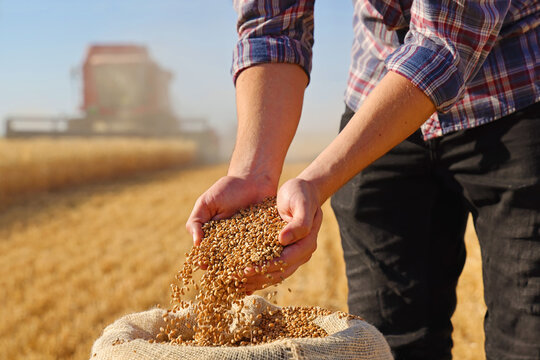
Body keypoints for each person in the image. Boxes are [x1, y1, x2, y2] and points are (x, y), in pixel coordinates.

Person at [186, 1, 540, 359]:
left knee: (528, 333)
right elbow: (272, 26)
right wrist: (251, 173)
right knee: (388, 342)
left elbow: (443, 40)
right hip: (376, 98)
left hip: (512, 95)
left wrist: (315, 182)